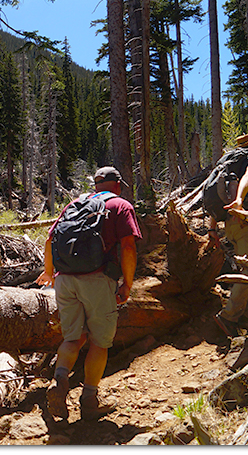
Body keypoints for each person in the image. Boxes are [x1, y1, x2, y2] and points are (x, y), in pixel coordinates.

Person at [36, 166, 142, 421]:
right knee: (99, 341)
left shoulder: (76, 204)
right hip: (97, 278)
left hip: (65, 280)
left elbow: (50, 240)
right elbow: (128, 247)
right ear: (117, 184)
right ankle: (89, 400)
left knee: (73, 337)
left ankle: (60, 382)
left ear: (96, 185)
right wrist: (127, 284)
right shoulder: (120, 206)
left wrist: (49, 272)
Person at [209, 132, 248, 337]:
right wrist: (240, 201)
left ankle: (247, 316)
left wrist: (212, 229)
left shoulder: (227, 166)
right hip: (243, 222)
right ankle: (229, 316)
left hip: (229, 224)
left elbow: (215, 199)